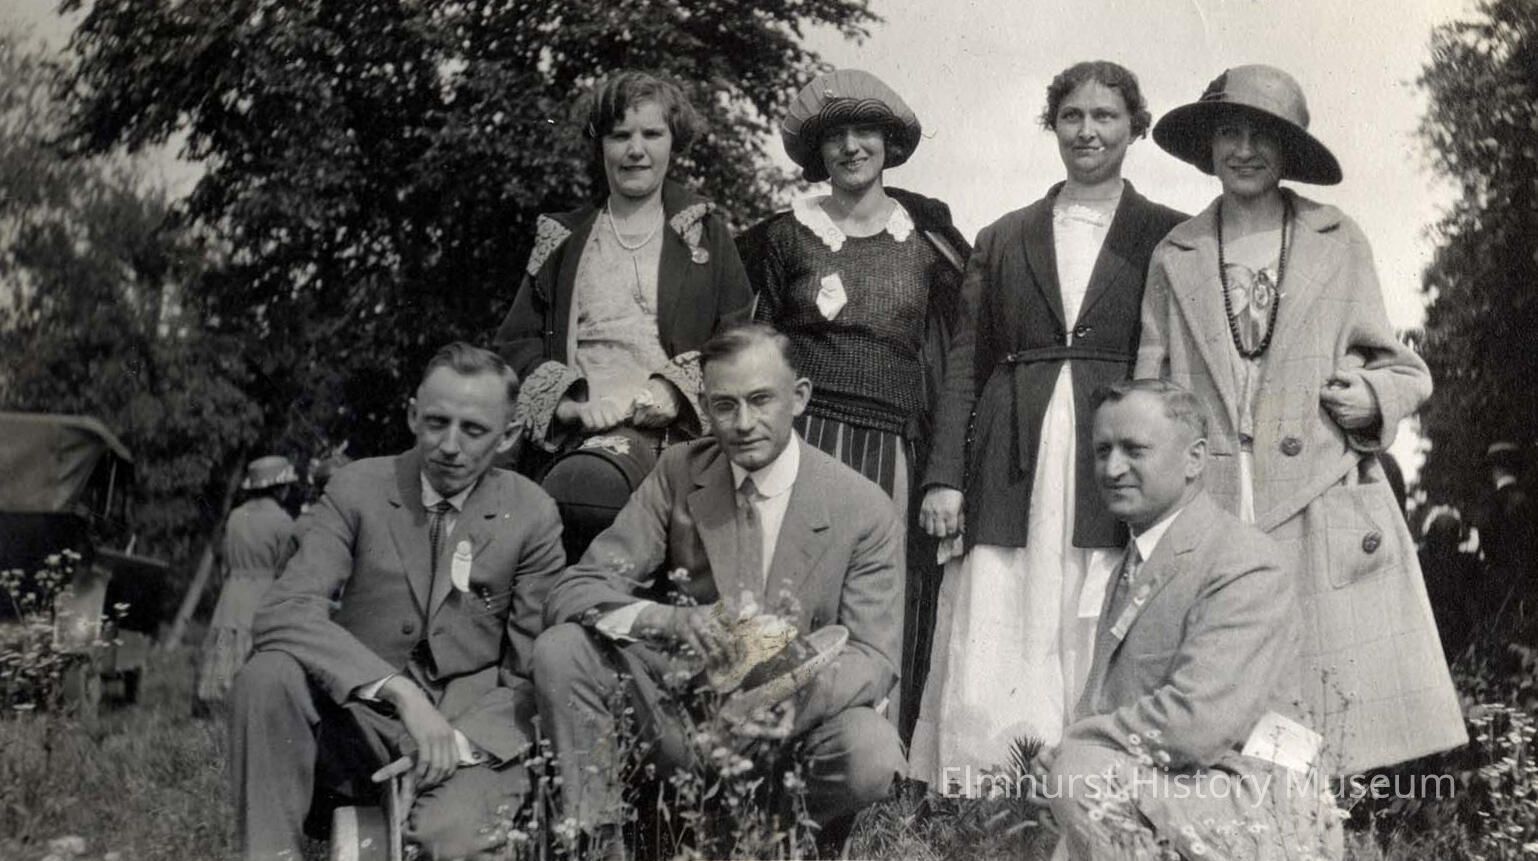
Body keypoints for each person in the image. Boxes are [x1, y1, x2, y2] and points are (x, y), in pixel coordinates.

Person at [1137, 64, 1464, 772]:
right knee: (1229, 667)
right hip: (1214, 495)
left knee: (1316, 682)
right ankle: (1243, 810)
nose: (1244, 149)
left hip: (1316, 491)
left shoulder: (1336, 239)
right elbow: (1149, 389)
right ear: (1207, 146)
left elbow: (1403, 370)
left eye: (1264, 135)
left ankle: (1313, 813)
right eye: (1230, 132)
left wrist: (1369, 398)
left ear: (1289, 151)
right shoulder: (1176, 254)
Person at [532, 323, 906, 859]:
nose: (744, 424)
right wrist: (668, 621)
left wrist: (778, 701)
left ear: (800, 397)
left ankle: (775, 837)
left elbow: (872, 656)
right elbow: (578, 589)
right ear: (705, 408)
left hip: (789, 732)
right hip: (683, 720)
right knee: (562, 649)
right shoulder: (678, 471)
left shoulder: (863, 507)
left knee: (872, 750)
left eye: (761, 400)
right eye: (725, 406)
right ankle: (598, 842)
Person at [910, 61, 1187, 783]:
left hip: (1112, 445)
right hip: (1013, 448)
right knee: (1003, 594)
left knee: (1097, 596)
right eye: (1072, 116)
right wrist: (945, 475)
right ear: (1052, 125)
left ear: (1135, 128)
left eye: (1105, 116)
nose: (1087, 131)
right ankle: (988, 782)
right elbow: (966, 361)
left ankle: (1091, 778)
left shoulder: (1169, 235)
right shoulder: (1003, 236)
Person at [229, 343, 566, 861]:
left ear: (509, 436)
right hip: (356, 719)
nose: (449, 446)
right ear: (412, 415)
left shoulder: (532, 514)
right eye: (436, 422)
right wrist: (400, 692)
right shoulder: (357, 488)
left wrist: (456, 744)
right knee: (267, 676)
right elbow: (285, 610)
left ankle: (421, 826)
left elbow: (528, 674)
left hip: (466, 733)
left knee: (445, 842)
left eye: (473, 430)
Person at [738, 68, 970, 739]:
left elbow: (960, 350)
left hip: (890, 447)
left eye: (865, 131)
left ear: (888, 143)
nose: (851, 147)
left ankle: (871, 754)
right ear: (817, 151)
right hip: (802, 440)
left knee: (877, 599)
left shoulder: (927, 241)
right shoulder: (785, 236)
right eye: (835, 135)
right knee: (788, 589)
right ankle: (770, 742)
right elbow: (753, 346)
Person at [1042, 379, 1343, 860]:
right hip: (1188, 785)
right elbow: (1110, 705)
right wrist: (1063, 758)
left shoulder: (1242, 561)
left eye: (1134, 450)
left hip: (1260, 801)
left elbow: (1196, 725)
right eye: (1102, 451)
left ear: (1195, 459)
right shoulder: (1138, 559)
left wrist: (1075, 747)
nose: (1112, 469)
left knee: (1080, 777)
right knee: (1072, 790)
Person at [494, 70, 752, 558]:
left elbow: (740, 339)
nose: (636, 150)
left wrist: (675, 390)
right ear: (600, 144)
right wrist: (569, 405)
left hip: (680, 448)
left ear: (673, 141)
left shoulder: (705, 233)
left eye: (652, 134)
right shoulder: (562, 240)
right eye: (619, 135)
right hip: (575, 449)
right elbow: (515, 346)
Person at [194, 455, 301, 708]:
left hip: (232, 592)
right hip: (263, 592)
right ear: (279, 488)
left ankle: (217, 701)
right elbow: (285, 568)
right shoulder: (283, 522)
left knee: (226, 646)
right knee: (257, 648)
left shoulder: (235, 517)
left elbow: (225, 562)